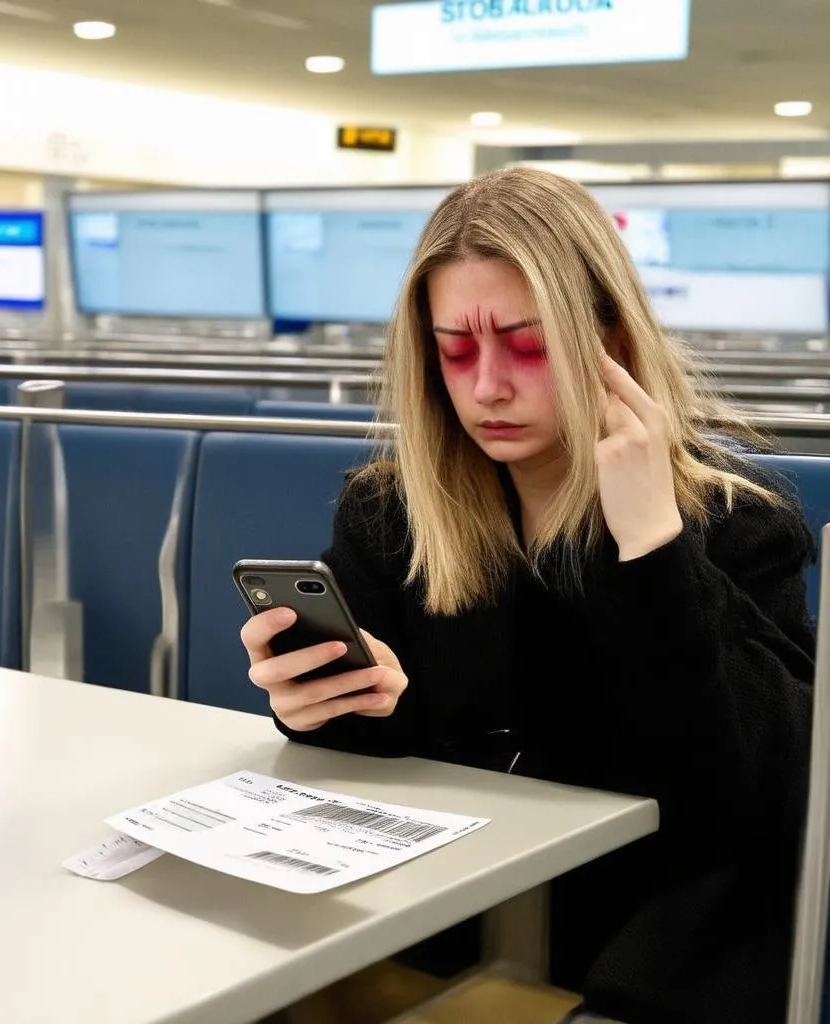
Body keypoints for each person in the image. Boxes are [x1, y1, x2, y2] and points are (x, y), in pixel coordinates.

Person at [240, 167, 816, 1024]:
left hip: (640, 948)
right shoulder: (390, 514)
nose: (487, 388)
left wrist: (654, 550)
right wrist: (329, 702)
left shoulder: (733, 525)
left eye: (530, 343)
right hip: (439, 917)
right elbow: (387, 758)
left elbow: (763, 793)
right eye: (457, 349)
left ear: (612, 340)